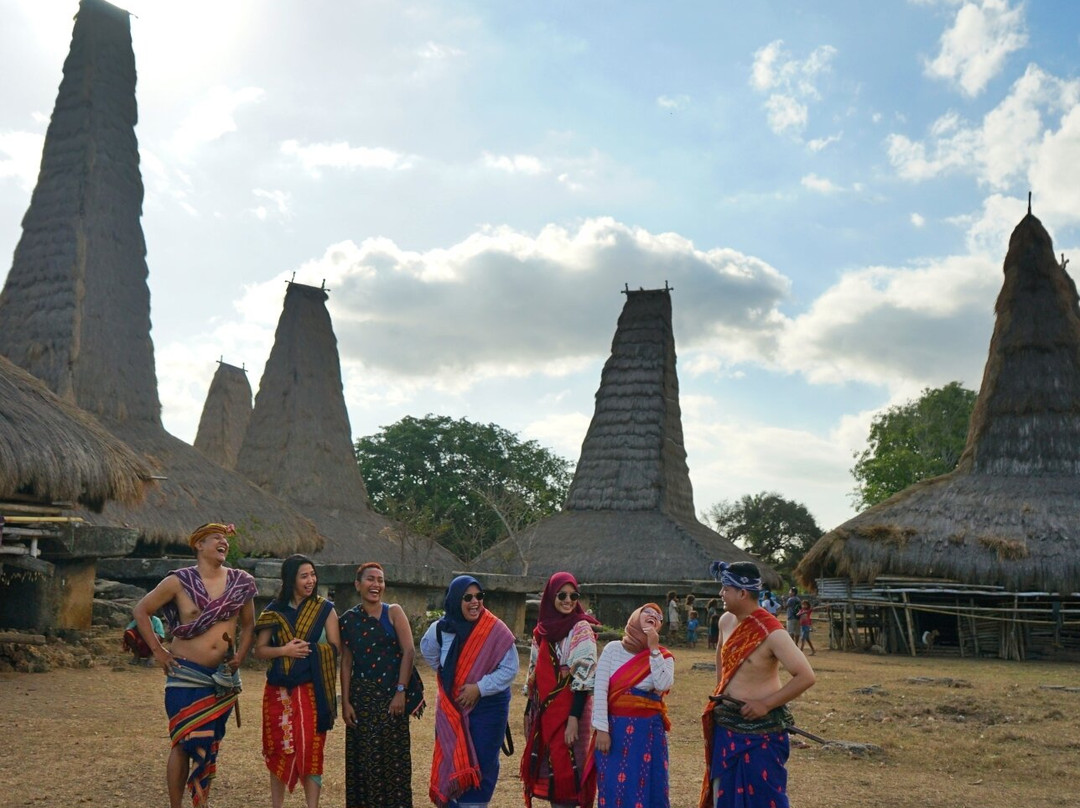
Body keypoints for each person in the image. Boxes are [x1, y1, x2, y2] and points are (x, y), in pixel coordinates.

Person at [132, 522, 257, 808]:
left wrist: (241, 656)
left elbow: (249, 626)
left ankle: (200, 802)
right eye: (215, 538)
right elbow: (141, 610)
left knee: (208, 744)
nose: (222, 543)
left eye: (224, 539)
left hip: (221, 678)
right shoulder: (179, 581)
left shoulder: (241, 582)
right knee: (181, 742)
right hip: (185, 674)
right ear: (199, 545)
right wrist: (159, 651)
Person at [700, 562, 816, 808]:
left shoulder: (772, 632)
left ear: (742, 593)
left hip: (762, 732)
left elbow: (806, 675)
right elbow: (722, 653)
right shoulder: (725, 621)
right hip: (727, 723)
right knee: (725, 794)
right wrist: (722, 691)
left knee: (765, 798)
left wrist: (765, 704)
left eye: (725, 589)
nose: (721, 594)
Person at [421, 575, 519, 808]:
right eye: (468, 597)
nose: (475, 602)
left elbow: (510, 669)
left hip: (488, 708)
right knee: (450, 755)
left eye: (479, 596)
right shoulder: (440, 629)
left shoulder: (495, 630)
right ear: (455, 600)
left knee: (483, 760)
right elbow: (430, 654)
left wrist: (479, 688)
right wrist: (453, 679)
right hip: (453, 707)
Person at [254, 555, 340, 808]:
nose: (311, 580)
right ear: (290, 579)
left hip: (313, 691)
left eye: (313, 575)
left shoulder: (325, 609)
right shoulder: (274, 611)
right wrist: (284, 651)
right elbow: (259, 651)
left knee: (311, 749)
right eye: (304, 576)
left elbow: (335, 648)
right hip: (279, 691)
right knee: (279, 748)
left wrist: (312, 649)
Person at [340, 562, 425, 808]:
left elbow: (408, 651)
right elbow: (346, 663)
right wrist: (345, 703)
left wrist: (400, 691)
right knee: (364, 764)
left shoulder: (393, 612)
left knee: (393, 764)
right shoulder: (348, 620)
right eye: (370, 579)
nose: (376, 585)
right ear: (358, 585)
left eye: (380, 580)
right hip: (362, 700)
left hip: (391, 699)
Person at [521, 572, 600, 808]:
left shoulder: (581, 628)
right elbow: (534, 674)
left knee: (568, 773)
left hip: (572, 710)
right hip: (544, 711)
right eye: (562, 595)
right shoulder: (541, 632)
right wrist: (528, 712)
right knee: (550, 774)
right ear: (549, 597)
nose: (568, 600)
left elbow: (584, 677)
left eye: (573, 595)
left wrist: (573, 719)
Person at [594, 603, 675, 808]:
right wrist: (602, 729)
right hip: (615, 731)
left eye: (658, 616)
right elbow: (600, 689)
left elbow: (663, 684)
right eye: (647, 612)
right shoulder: (613, 649)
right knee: (615, 786)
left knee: (650, 783)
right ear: (635, 617)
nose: (653, 616)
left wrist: (654, 649)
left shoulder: (664, 656)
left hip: (648, 733)